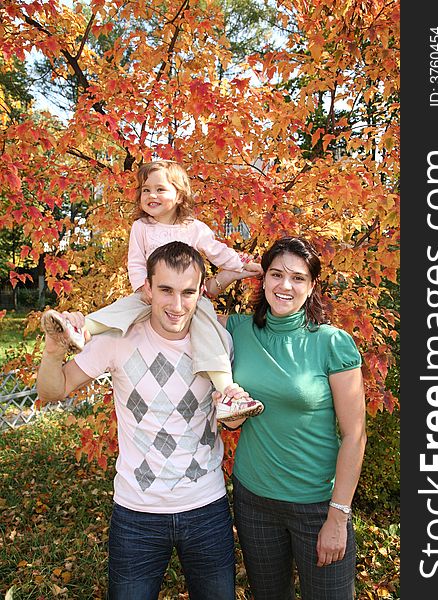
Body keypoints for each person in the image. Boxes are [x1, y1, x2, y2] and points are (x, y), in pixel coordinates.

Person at [36, 241, 257, 600]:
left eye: (187, 292)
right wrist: (54, 348)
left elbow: (232, 423)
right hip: (136, 513)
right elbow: (52, 390)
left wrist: (230, 415)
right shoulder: (116, 340)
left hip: (206, 507)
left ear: (201, 292)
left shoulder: (220, 345)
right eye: (166, 290)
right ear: (148, 289)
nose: (176, 304)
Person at [41, 159, 264, 422]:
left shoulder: (194, 228)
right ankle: (80, 329)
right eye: (146, 190)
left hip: (194, 299)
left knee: (209, 333)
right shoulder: (142, 228)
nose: (151, 195)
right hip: (148, 292)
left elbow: (218, 253)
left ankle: (227, 392)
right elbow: (135, 262)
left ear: (179, 195)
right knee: (121, 310)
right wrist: (140, 288)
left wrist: (243, 264)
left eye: (160, 189)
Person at [214, 236, 367, 600]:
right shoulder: (238, 330)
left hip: (317, 505)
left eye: (298, 278)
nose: (285, 285)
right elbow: (183, 307)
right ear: (263, 279)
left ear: (312, 286)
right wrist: (229, 273)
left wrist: (338, 516)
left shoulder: (332, 342)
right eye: (276, 274)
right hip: (254, 501)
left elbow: (354, 436)